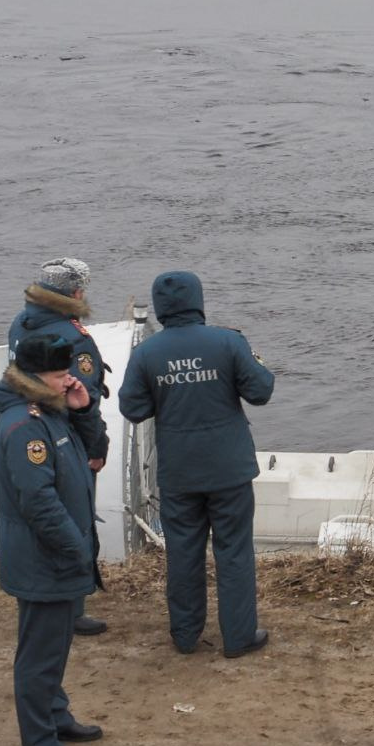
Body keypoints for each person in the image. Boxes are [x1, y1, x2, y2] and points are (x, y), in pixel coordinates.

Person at [118, 271, 275, 658]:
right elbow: (261, 390)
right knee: (234, 551)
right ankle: (238, 637)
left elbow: (132, 408)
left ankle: (185, 636)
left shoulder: (147, 354)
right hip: (229, 469)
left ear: (160, 307)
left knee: (183, 552)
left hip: (179, 472)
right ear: (198, 301)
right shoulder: (227, 341)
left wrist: (167, 395)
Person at [0, 334, 104, 746]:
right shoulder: (25, 426)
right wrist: (77, 550)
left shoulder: (52, 413)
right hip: (46, 557)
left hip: (57, 554)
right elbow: (38, 501)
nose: (68, 381)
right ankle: (39, 742)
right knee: (39, 655)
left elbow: (93, 449)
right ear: (35, 379)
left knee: (53, 647)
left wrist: (83, 408)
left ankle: (55, 717)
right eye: (60, 376)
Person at [8, 257, 110, 638]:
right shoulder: (75, 337)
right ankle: (72, 606)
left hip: (33, 422)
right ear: (76, 292)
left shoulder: (21, 322)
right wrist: (96, 444)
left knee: (41, 513)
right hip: (68, 435)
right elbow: (86, 396)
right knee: (74, 516)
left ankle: (47, 597)